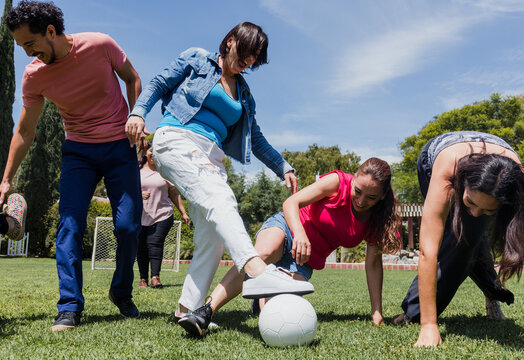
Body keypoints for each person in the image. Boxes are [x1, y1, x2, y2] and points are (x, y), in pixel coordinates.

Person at [126, 22, 314, 325]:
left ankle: (187, 310)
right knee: (221, 198)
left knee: (212, 236)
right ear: (229, 41)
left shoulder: (244, 92)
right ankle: (257, 270)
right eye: (247, 52)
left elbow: (257, 138)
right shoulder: (197, 59)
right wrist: (138, 112)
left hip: (211, 157)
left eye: (255, 59)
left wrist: (283, 166)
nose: (249, 61)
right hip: (176, 139)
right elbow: (159, 83)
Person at [0, 1, 143, 331]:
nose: (29, 54)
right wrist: (6, 179)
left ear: (51, 32)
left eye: (31, 44)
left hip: (118, 147)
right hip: (78, 153)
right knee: (69, 225)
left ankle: (121, 292)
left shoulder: (100, 45)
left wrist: (133, 116)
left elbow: (132, 79)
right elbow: (25, 130)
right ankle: (70, 306)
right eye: (21, 47)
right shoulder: (34, 75)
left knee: (128, 227)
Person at [178, 157, 402, 336]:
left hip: (305, 260)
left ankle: (260, 299)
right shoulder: (337, 182)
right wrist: (300, 234)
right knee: (262, 254)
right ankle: (205, 312)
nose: (361, 201)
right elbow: (291, 203)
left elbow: (373, 265)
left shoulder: (376, 220)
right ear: (353, 180)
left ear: (382, 196)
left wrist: (377, 313)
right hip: (287, 228)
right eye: (358, 191)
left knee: (276, 312)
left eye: (371, 197)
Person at [392, 131, 523, 347]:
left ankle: (492, 294)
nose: (474, 211)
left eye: (488, 209)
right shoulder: (446, 171)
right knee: (462, 235)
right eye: (470, 202)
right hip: (437, 158)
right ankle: (415, 312)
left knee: (471, 233)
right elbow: (428, 251)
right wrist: (428, 325)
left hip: (493, 159)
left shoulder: (517, 180)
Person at [137, 142, 190, 288]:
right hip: (140, 216)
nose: (153, 154)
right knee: (141, 247)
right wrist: (138, 194)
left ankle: (155, 277)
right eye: (150, 151)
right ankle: (143, 279)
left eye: (156, 151)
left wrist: (183, 213)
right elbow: (126, 190)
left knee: (154, 243)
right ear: (145, 153)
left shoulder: (165, 172)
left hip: (162, 214)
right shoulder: (136, 171)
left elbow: (174, 193)